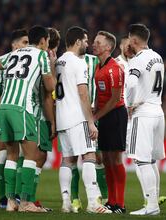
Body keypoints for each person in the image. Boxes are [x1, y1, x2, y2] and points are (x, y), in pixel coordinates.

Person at [0, 25, 55, 213]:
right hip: (22, 108)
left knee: (12, 155)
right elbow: (49, 86)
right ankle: (25, 202)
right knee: (32, 154)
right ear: (43, 41)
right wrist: (52, 67)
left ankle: (10, 202)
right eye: (47, 41)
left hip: (3, 108)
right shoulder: (41, 55)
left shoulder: (13, 54)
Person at [55, 26, 111, 214]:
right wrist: (90, 121)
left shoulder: (59, 62)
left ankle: (66, 201)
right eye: (86, 41)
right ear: (78, 42)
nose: (88, 44)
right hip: (77, 118)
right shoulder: (79, 63)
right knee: (89, 156)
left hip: (62, 117)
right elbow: (83, 93)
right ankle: (94, 203)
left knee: (67, 161)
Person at [126, 23, 165, 216]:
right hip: (158, 111)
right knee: (150, 161)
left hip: (143, 113)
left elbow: (132, 84)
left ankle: (151, 206)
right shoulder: (157, 57)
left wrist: (129, 104)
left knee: (141, 161)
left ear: (133, 40)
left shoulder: (137, 60)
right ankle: (154, 201)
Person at [0, 29, 28, 209]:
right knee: (3, 153)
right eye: (25, 43)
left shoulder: (28, 60)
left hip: (19, 112)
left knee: (19, 153)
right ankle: (2, 197)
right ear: (15, 45)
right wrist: (6, 110)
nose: (28, 46)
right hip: (2, 111)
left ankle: (16, 195)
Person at [92, 31, 128, 213]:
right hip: (104, 115)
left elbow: (114, 99)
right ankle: (111, 201)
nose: (94, 44)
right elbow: (100, 94)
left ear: (108, 47)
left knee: (115, 159)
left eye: (98, 42)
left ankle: (120, 204)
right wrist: (95, 108)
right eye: (94, 41)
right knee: (106, 159)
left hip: (116, 115)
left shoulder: (115, 68)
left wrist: (96, 115)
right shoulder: (98, 67)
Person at [69, 52, 109, 213]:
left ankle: (103, 198)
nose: (89, 43)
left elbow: (101, 85)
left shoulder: (94, 61)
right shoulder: (65, 61)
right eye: (85, 40)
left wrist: (97, 105)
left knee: (97, 156)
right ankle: (74, 199)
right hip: (71, 115)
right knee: (72, 158)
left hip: (90, 114)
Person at [27, 27, 60, 211]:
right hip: (39, 113)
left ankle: (23, 197)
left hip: (29, 111)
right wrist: (52, 121)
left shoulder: (35, 56)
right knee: (37, 156)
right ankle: (27, 198)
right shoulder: (45, 58)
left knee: (32, 156)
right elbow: (49, 93)